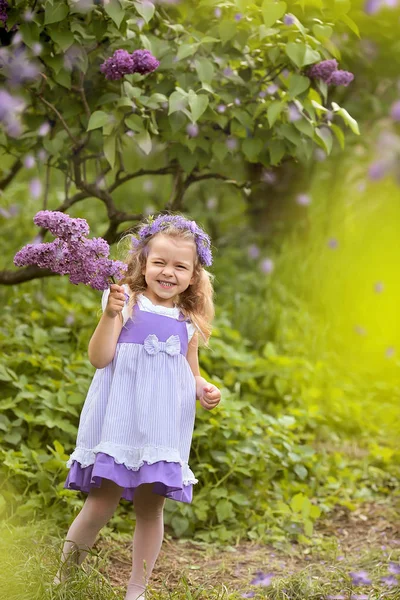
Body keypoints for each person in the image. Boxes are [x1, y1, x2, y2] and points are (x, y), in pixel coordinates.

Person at [55, 214, 221, 599]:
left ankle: (137, 590)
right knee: (99, 506)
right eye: (159, 262)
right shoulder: (125, 302)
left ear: (194, 274)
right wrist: (110, 315)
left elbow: (190, 370)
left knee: (151, 510)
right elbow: (99, 358)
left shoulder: (188, 320)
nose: (168, 272)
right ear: (142, 264)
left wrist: (203, 388)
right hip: (119, 424)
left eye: (180, 266)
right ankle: (64, 578)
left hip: (162, 427)